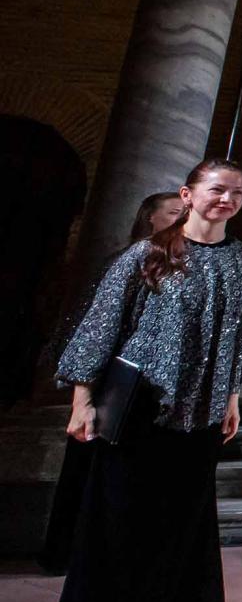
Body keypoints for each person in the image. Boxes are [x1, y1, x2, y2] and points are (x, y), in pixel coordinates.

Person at [34, 160, 242, 602]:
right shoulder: (149, 252)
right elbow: (100, 327)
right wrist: (81, 401)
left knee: (179, 524)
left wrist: (232, 397)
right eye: (216, 189)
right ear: (188, 194)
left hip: (202, 412)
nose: (226, 199)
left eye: (237, 192)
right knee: (119, 526)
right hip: (143, 408)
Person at [39, 190, 193, 576]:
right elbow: (90, 326)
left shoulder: (182, 264)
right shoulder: (130, 259)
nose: (181, 219)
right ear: (150, 220)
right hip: (110, 383)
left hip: (145, 388)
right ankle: (66, 554)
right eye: (173, 213)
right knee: (86, 474)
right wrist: (83, 393)